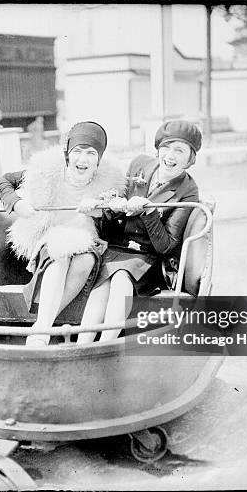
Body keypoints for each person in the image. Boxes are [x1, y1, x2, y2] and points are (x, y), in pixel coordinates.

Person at [0, 121, 125, 347]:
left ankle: (42, 325)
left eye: (90, 153)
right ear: (67, 154)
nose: (82, 160)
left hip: (88, 243)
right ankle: (43, 331)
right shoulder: (47, 172)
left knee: (84, 260)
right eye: (77, 152)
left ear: (99, 160)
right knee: (60, 252)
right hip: (51, 237)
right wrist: (16, 203)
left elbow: (114, 226)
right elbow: (4, 181)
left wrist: (100, 214)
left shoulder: (109, 184)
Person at [77, 119, 202, 343]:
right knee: (103, 282)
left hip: (149, 259)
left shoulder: (188, 190)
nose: (170, 156)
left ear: (190, 159)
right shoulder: (139, 164)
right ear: (157, 149)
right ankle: (81, 346)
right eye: (166, 147)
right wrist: (108, 205)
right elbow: (116, 209)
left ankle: (106, 346)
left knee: (121, 277)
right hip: (117, 249)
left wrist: (150, 211)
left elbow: (166, 246)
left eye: (179, 150)